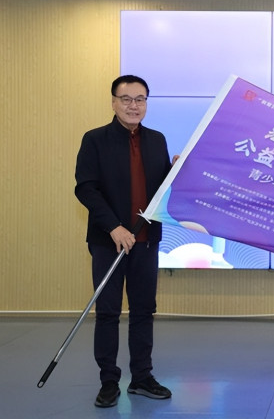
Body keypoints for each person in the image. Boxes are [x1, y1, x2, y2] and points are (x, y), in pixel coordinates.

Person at [75, 74, 173, 408]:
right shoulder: (95, 140)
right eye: (126, 99)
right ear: (114, 102)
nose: (134, 106)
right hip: (109, 241)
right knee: (108, 311)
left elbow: (160, 189)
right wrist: (114, 227)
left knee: (144, 310)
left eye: (140, 99)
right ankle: (108, 381)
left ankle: (142, 377)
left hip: (146, 241)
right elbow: (86, 188)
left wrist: (176, 172)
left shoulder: (157, 140)